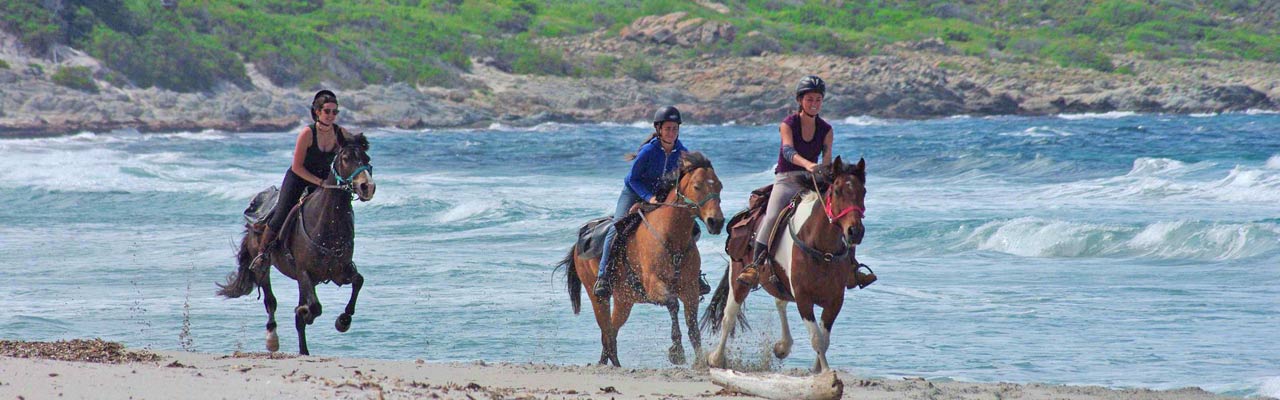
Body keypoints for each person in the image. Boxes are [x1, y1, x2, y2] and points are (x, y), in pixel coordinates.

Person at [736, 75, 872, 290]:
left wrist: (826, 175)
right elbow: (788, 151)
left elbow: (827, 161)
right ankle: (755, 265)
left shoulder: (826, 129)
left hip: (813, 181)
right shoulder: (788, 124)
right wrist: (808, 165)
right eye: (810, 99)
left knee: (841, 214)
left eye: (818, 99)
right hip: (787, 179)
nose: (814, 104)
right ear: (800, 100)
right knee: (772, 216)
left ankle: (852, 267)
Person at [592, 106, 689, 298]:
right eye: (668, 128)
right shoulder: (648, 151)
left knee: (687, 227)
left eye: (675, 128)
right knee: (617, 226)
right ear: (659, 129)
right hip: (634, 192)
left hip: (660, 195)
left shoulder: (682, 152)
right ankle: (603, 276)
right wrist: (648, 198)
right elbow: (633, 179)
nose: (672, 132)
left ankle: (691, 274)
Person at [252, 90, 350, 266]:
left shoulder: (340, 132)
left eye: (335, 112)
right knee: (281, 213)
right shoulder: (307, 133)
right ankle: (262, 253)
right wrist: (321, 183)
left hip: (323, 180)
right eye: (327, 111)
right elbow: (297, 167)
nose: (331, 115)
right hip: (298, 177)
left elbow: (354, 148)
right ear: (317, 112)